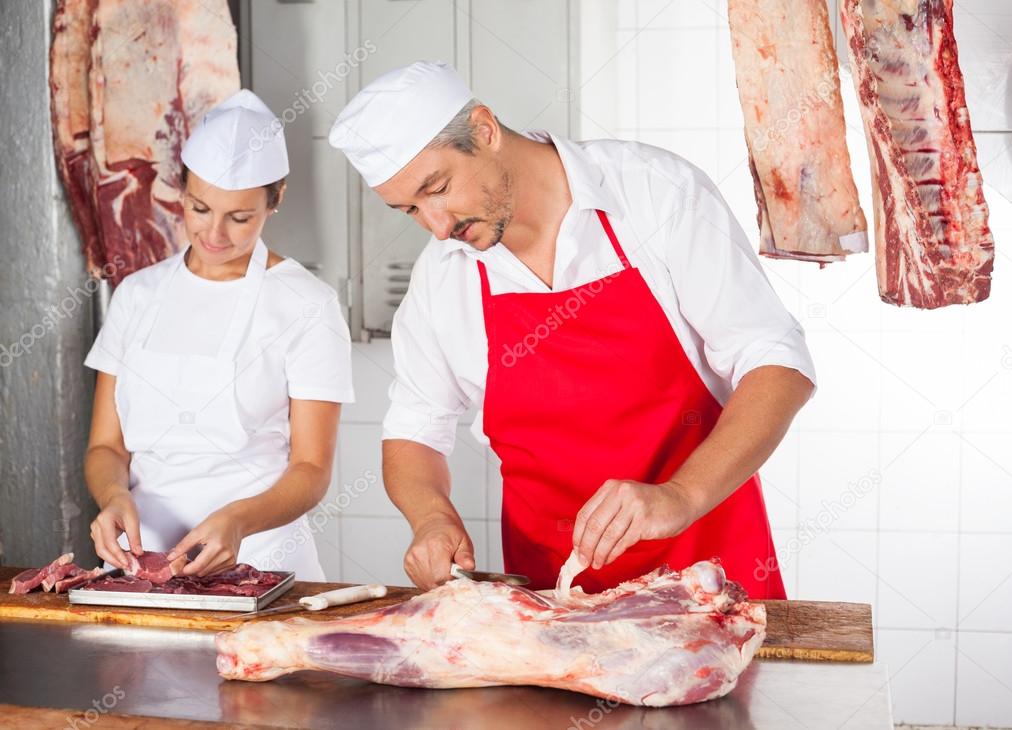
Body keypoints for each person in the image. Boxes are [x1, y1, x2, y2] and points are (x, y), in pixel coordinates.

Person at [330, 62, 814, 598]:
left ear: (485, 130)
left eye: (438, 188)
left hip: (711, 577)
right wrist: (431, 518)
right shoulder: (443, 275)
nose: (438, 227)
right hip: (555, 600)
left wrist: (679, 496)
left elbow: (777, 363)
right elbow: (415, 429)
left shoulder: (654, 194)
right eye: (410, 210)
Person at [84, 90, 354, 580]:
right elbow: (106, 447)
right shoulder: (136, 295)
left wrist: (238, 521)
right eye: (199, 208)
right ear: (181, 192)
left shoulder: (307, 305)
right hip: (140, 568)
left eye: (240, 217)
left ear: (277, 199)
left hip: (261, 562)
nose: (215, 234)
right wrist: (113, 496)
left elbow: (312, 471)